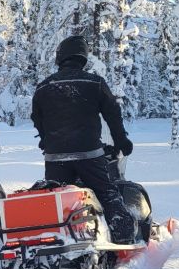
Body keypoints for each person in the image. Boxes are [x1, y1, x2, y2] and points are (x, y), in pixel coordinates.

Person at [31, 34, 136, 244]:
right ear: (83, 57)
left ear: (61, 57)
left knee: (56, 199)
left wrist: (46, 140)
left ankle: (53, 239)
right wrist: (121, 141)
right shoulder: (94, 82)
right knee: (106, 193)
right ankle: (124, 238)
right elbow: (113, 114)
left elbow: (37, 117)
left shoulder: (44, 86)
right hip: (89, 154)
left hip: (55, 157)